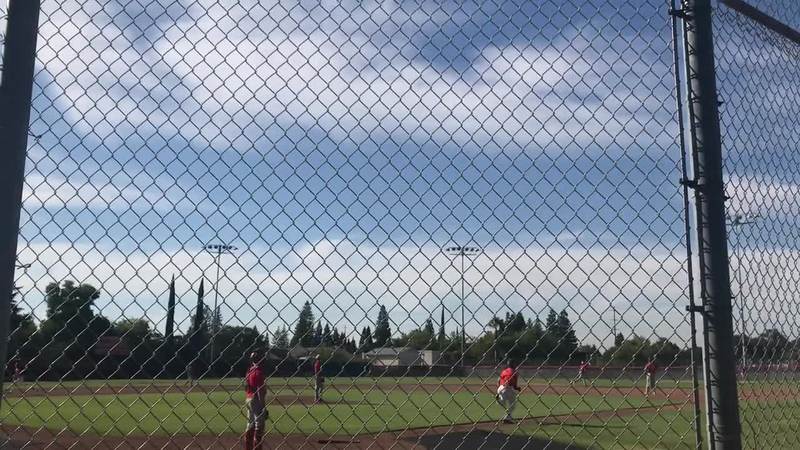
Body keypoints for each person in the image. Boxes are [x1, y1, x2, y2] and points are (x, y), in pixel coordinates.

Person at [244, 351, 267, 450]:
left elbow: (246, 387)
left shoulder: (249, 371)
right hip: (256, 399)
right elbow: (260, 391)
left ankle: (248, 448)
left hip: (248, 398)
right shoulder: (258, 372)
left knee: (250, 424)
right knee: (259, 425)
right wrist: (263, 407)